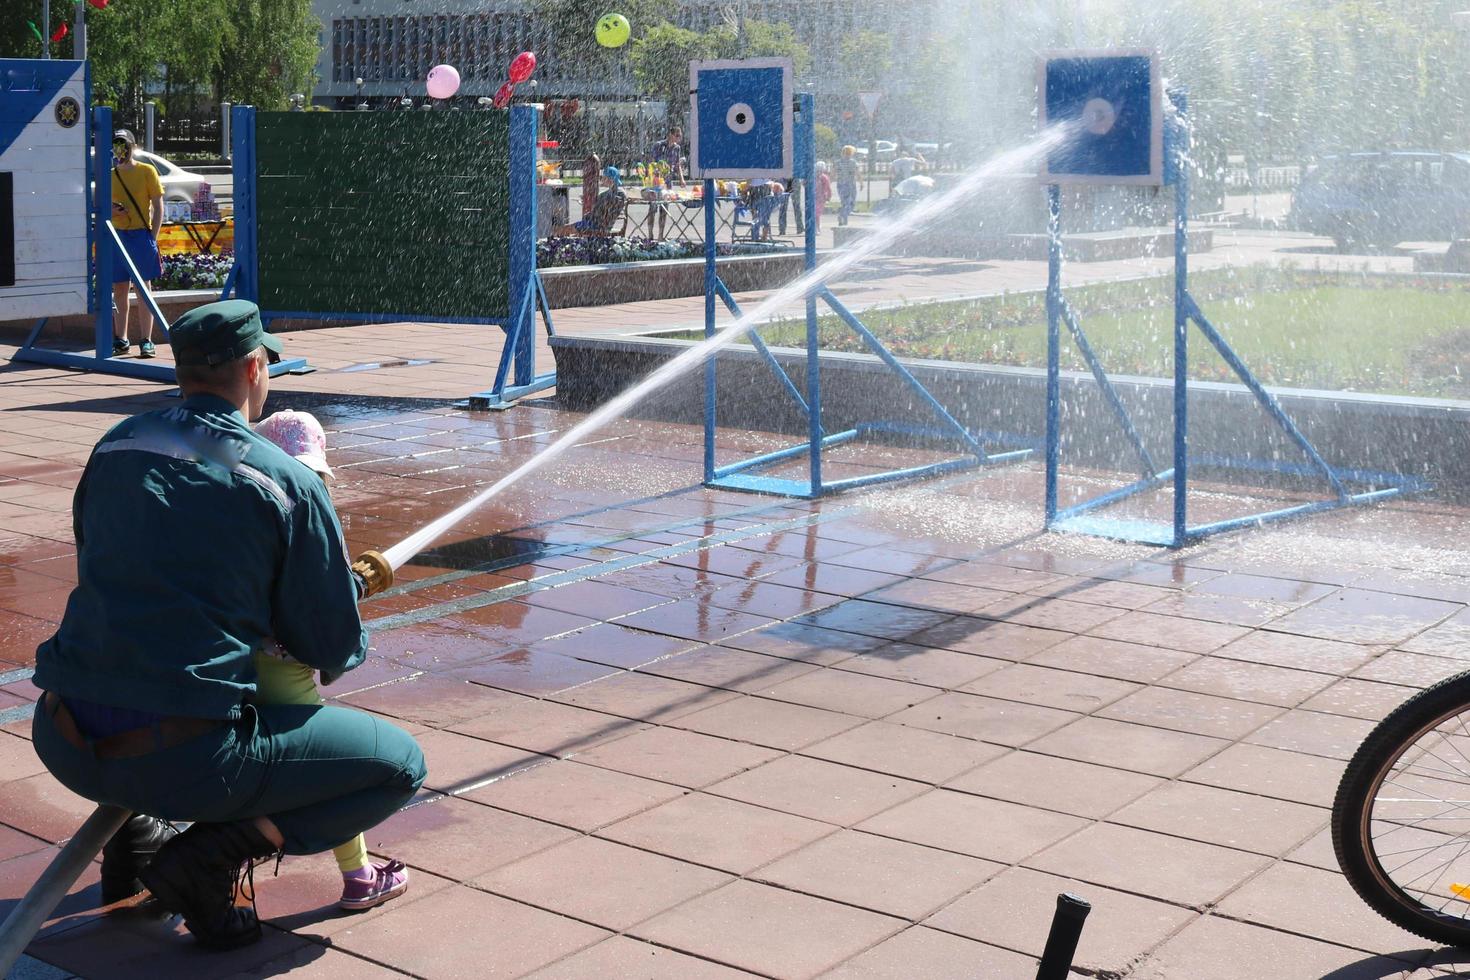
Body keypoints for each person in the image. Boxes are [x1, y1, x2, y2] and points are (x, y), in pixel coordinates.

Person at [31, 299, 425, 950]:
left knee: (143, 679)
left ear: (181, 371)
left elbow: (111, 565)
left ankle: (140, 838)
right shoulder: (284, 480)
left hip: (62, 737)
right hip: (187, 762)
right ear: (252, 368)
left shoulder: (116, 446)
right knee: (398, 766)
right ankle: (208, 858)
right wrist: (335, 588)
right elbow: (328, 646)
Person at [252, 409, 410, 912]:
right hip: (285, 674)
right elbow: (323, 620)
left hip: (233, 666)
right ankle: (359, 875)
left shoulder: (239, 513)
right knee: (332, 767)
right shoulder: (312, 518)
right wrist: (356, 585)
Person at [109, 129, 164, 359]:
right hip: (117, 235)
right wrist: (111, 209)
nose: (121, 150)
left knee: (144, 289)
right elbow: (99, 205)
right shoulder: (110, 175)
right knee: (119, 288)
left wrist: (152, 236)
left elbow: (159, 206)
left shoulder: (147, 171)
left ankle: (146, 340)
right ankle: (121, 339)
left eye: (125, 145)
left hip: (141, 236)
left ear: (133, 146)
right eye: (117, 145)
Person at [553, 166, 627, 237]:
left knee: (561, 229)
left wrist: (589, 214)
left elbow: (601, 211)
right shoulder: (616, 192)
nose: (602, 180)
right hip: (600, 224)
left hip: (597, 226)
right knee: (567, 230)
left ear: (609, 179)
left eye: (603, 178)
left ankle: (554, 245)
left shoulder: (614, 194)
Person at [645, 126, 686, 239]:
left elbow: (677, 165)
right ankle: (650, 234)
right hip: (656, 182)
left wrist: (681, 179)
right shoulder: (659, 146)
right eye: (677, 135)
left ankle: (660, 235)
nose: (679, 138)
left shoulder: (677, 148)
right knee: (653, 208)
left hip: (667, 182)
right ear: (670, 135)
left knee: (664, 209)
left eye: (680, 136)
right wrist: (653, 173)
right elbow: (651, 161)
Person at [834, 146, 859, 227]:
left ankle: (843, 219)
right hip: (850, 185)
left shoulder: (838, 162)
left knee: (844, 203)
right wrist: (861, 183)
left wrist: (829, 182)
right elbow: (857, 173)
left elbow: (833, 173)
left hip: (840, 184)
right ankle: (843, 217)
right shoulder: (853, 162)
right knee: (850, 203)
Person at [813, 161, 833, 233]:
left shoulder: (824, 178)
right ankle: (815, 227)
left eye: (820, 170)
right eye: (817, 170)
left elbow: (828, 188)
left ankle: (817, 228)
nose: (819, 172)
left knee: (816, 214)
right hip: (814, 198)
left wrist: (829, 196)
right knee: (814, 214)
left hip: (821, 198)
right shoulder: (813, 176)